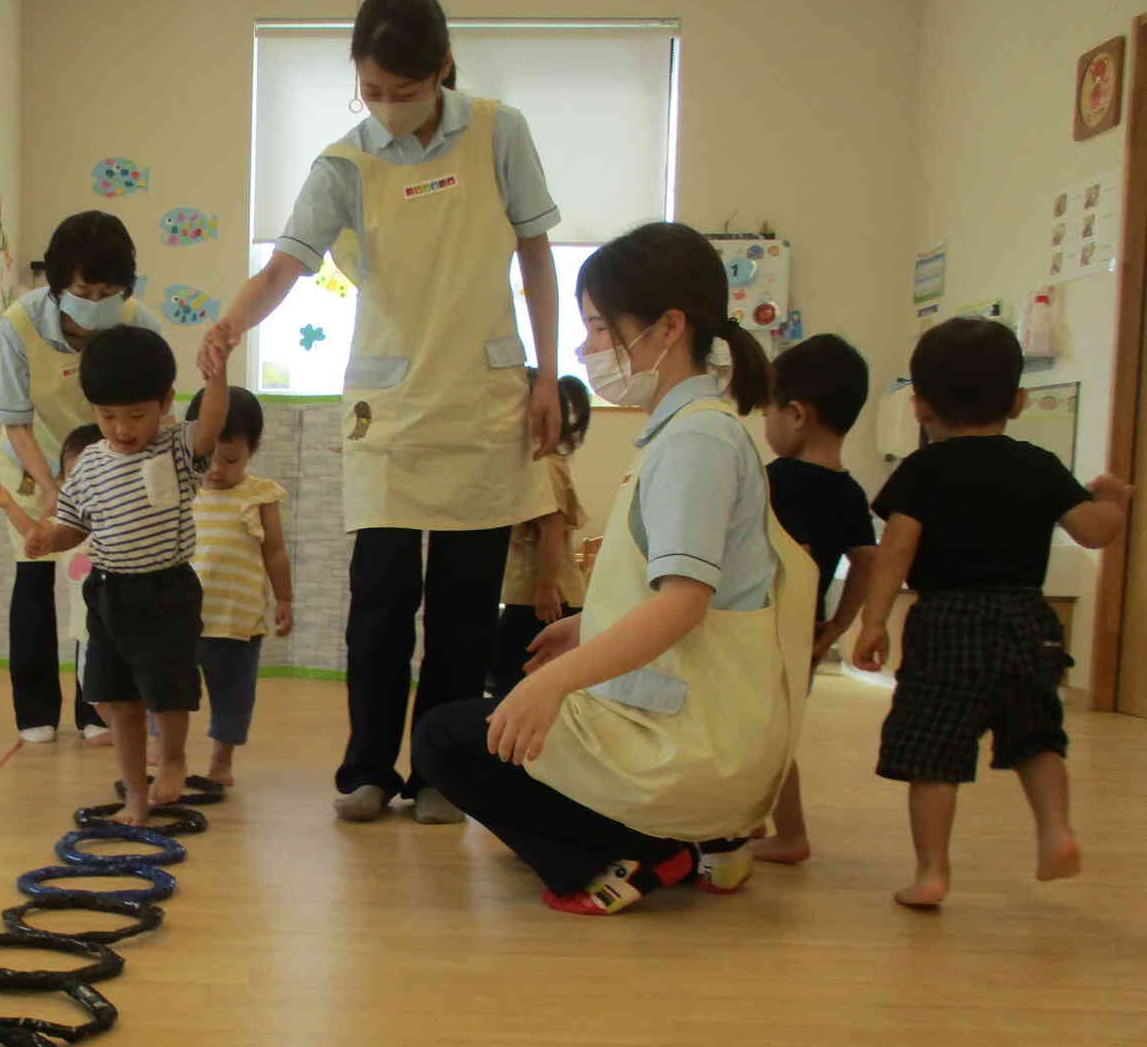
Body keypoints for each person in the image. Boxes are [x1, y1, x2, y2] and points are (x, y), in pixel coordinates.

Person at [198, 0, 563, 826]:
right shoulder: (343, 163)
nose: (389, 109)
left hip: (485, 397)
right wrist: (228, 323)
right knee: (382, 602)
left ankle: (441, 772)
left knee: (467, 608)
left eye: (405, 92)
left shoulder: (501, 131)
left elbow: (538, 259)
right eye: (372, 92)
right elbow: (285, 267)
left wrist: (548, 375)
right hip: (387, 408)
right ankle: (366, 768)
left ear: (441, 68)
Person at [411, 221, 817, 915]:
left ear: (666, 328)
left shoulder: (695, 443)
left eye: (600, 329)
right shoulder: (690, 431)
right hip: (699, 728)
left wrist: (556, 684)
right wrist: (588, 629)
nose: (585, 348)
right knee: (492, 724)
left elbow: (684, 604)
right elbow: (681, 596)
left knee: (446, 740)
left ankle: (644, 854)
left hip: (691, 747)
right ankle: (683, 841)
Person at [853, 317, 1131, 909]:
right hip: (1028, 622)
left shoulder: (922, 471)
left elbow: (895, 554)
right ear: (1019, 400)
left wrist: (873, 623)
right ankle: (1055, 831)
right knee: (1037, 737)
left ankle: (931, 873)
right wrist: (1113, 499)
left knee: (933, 754)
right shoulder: (1037, 463)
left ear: (922, 408)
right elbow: (1094, 532)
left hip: (947, 623)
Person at [22, 327, 220, 824]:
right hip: (108, 592)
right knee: (117, 697)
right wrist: (49, 537)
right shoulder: (89, 463)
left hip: (166, 588)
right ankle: (135, 794)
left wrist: (216, 378)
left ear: (165, 403)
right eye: (108, 416)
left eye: (136, 415)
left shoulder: (176, 447)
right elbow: (74, 527)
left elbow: (213, 425)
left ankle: (172, 758)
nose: (122, 429)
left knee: (168, 688)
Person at [0, 213, 164, 744]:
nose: (96, 301)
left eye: (108, 290)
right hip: (36, 457)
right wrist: (53, 487)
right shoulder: (19, 325)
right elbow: (15, 419)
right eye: (85, 289)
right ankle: (35, 710)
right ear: (59, 281)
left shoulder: (139, 324)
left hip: (110, 460)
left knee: (102, 580)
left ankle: (98, 707)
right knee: (35, 572)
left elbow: (157, 411)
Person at [749, 333, 880, 865]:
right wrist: (837, 628)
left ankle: (789, 832)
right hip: (806, 633)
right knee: (775, 732)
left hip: (760, 630)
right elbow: (866, 565)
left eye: (768, 413)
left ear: (797, 415)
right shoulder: (849, 491)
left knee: (762, 735)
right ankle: (753, 819)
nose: (766, 425)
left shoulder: (773, 481)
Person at [184, 377, 293, 784]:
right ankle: (166, 752)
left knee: (233, 695)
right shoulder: (181, 487)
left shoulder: (260, 495)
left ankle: (221, 762)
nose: (216, 469)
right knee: (166, 687)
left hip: (238, 620)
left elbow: (275, 552)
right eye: (208, 455)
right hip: (182, 617)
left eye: (229, 460)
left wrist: (285, 599)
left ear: (253, 451)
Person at [0, 423, 108, 741]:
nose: (83, 487)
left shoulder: (120, 514)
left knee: (118, 677)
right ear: (63, 481)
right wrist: (9, 505)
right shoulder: (65, 519)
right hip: (86, 623)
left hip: (118, 617)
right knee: (90, 671)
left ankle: (118, 725)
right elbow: (34, 532)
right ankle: (104, 720)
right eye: (73, 479)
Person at [491, 372, 590, 696]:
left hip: (547, 598)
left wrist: (546, 588)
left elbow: (552, 528)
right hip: (531, 594)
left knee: (517, 678)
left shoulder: (543, 465)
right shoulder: (532, 462)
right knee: (509, 673)